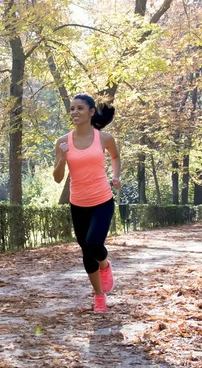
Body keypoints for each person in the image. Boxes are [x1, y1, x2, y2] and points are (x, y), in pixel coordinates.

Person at [53, 93, 122, 313]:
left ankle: (105, 264)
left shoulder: (104, 138)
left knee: (93, 244)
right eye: (72, 109)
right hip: (78, 204)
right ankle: (99, 296)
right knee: (86, 251)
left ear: (91, 112)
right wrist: (62, 159)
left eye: (80, 108)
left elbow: (115, 157)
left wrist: (116, 176)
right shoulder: (63, 142)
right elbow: (57, 177)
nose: (74, 112)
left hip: (102, 200)